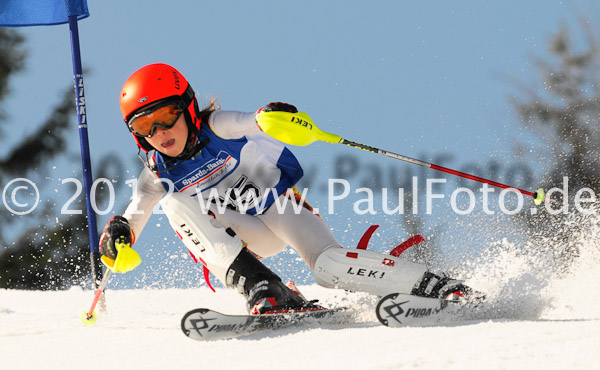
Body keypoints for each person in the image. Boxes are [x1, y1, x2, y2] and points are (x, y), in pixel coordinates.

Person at [100, 63, 477, 315]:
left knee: (328, 266)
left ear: (188, 107)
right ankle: (264, 288)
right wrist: (121, 231)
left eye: (166, 117)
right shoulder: (158, 169)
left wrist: (275, 117)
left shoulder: (216, 126)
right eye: (145, 126)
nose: (160, 133)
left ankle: (435, 285)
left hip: (279, 208)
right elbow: (139, 208)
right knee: (174, 203)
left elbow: (254, 122)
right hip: (244, 235)